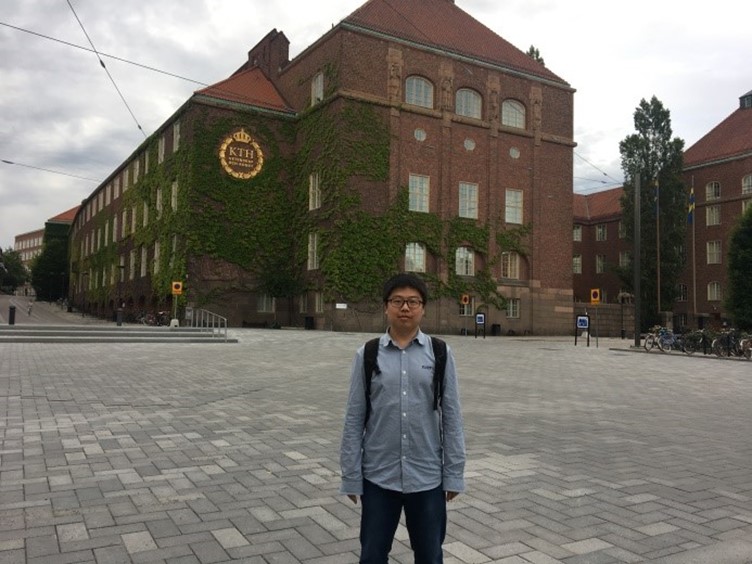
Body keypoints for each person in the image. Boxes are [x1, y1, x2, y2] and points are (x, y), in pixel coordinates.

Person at [340, 273, 466, 563]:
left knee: (430, 556)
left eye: (413, 301)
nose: (405, 307)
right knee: (372, 556)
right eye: (397, 301)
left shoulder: (440, 353)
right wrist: (351, 475)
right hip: (379, 477)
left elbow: (452, 416)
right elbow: (354, 417)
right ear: (386, 307)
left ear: (423, 308)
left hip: (427, 478)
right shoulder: (368, 354)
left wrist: (454, 473)